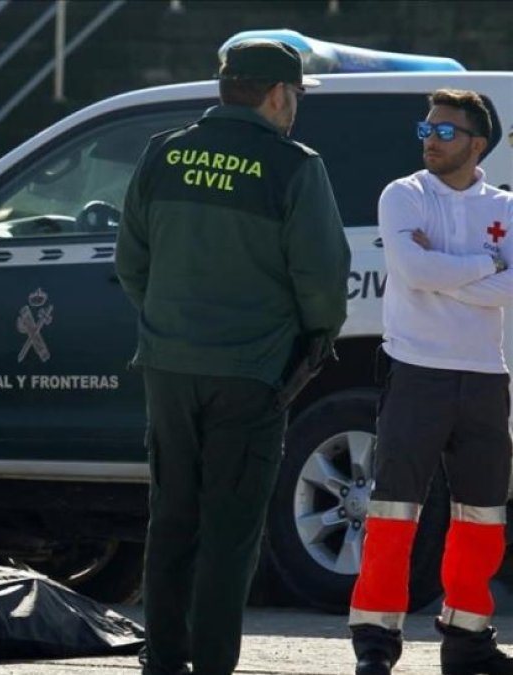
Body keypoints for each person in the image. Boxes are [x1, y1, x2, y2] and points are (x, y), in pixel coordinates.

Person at [115, 39, 350, 675]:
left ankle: (163, 658)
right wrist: (311, 339)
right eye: (296, 95)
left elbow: (130, 264)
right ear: (276, 95)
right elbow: (324, 282)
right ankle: (213, 662)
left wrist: (171, 326)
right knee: (230, 527)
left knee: (172, 516)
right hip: (251, 372)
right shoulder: (294, 166)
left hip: (168, 366)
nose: (296, 107)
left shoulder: (162, 153)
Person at [349, 89, 513, 675]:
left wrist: (449, 271)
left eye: (445, 131)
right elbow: (412, 271)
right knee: (394, 512)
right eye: (426, 128)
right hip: (416, 370)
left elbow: (507, 286)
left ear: (478, 143)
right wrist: (490, 263)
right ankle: (375, 643)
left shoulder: (507, 205)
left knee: (483, 518)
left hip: (486, 377)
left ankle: (468, 642)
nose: (430, 139)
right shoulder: (404, 194)